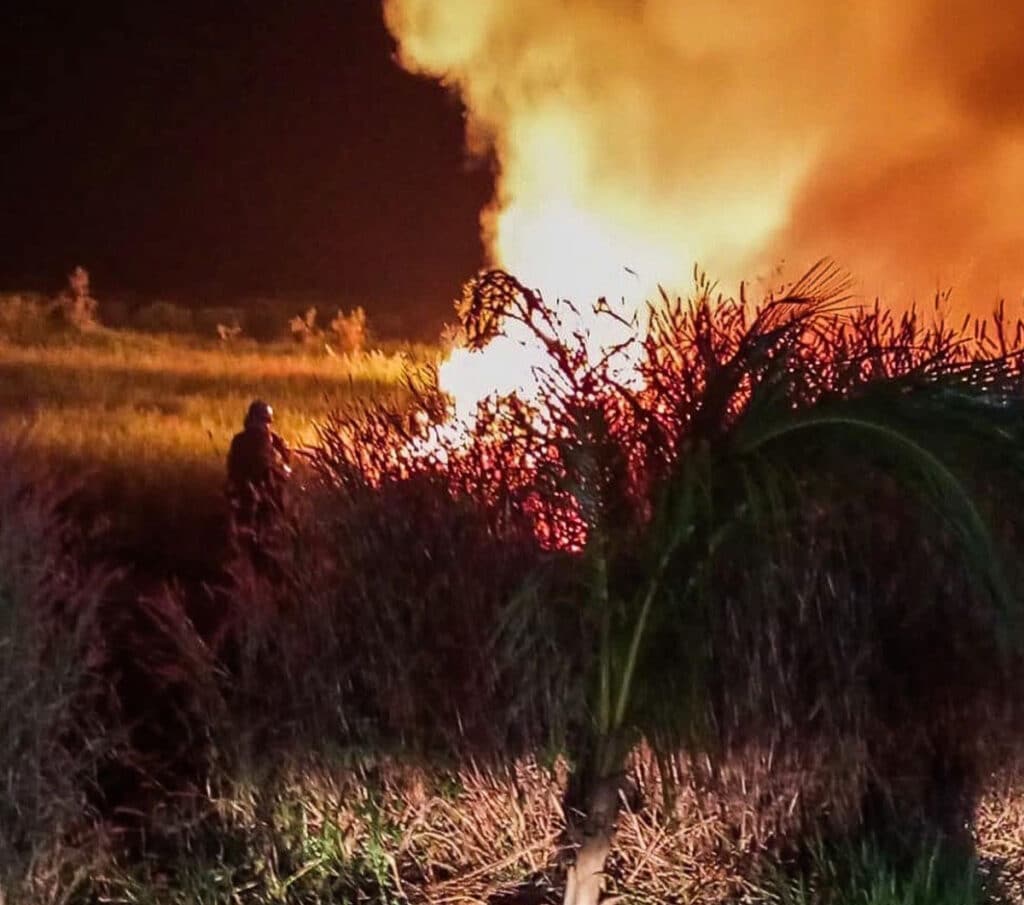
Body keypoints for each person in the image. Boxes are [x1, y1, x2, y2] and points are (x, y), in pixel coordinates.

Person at [226, 400, 291, 547]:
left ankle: (266, 533)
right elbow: (234, 466)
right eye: (263, 420)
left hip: (257, 481)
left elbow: (286, 456)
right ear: (252, 419)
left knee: (276, 500)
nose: (265, 425)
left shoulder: (268, 438)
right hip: (245, 482)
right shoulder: (246, 439)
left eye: (267, 421)